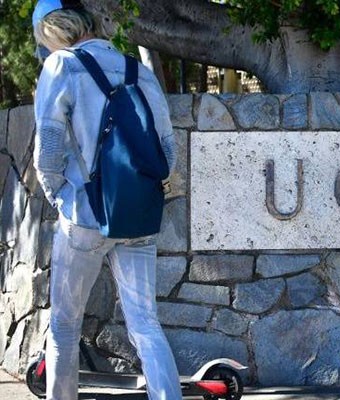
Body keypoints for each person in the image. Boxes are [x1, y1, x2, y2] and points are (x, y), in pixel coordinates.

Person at [32, 1, 182, 399]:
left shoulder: (62, 65)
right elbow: (167, 153)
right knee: (146, 325)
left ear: (54, 31)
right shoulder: (138, 70)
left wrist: (61, 197)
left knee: (65, 327)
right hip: (137, 214)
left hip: (84, 215)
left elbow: (48, 149)